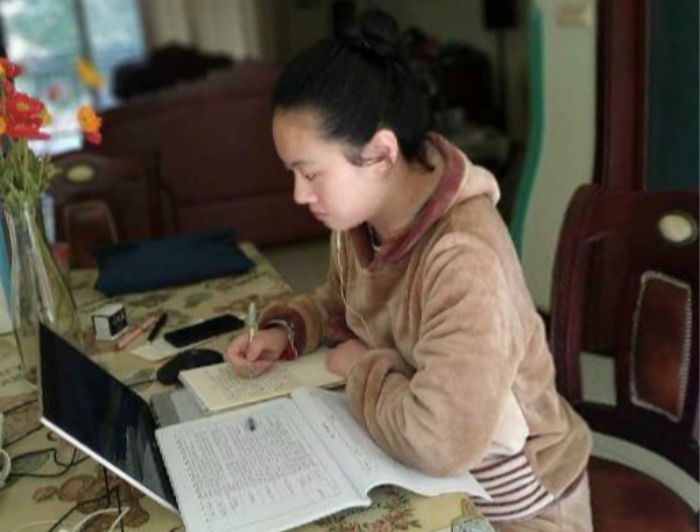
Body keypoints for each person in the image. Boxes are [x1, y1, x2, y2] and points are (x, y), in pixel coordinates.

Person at [226, 10, 592, 532]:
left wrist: (361, 367)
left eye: (311, 174)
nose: (300, 195)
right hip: (430, 473)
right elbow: (342, 303)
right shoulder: (364, 217)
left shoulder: (463, 256)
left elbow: (439, 440)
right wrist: (285, 331)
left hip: (515, 504)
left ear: (380, 154)